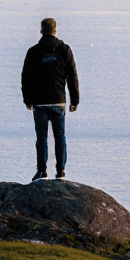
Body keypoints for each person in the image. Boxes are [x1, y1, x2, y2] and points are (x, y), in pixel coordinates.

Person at [20, 17, 79, 181]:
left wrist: (27, 100)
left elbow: (26, 78)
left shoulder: (33, 51)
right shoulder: (65, 50)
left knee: (42, 137)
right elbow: (73, 77)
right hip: (58, 100)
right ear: (55, 31)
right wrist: (74, 100)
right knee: (60, 136)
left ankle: (42, 171)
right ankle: (61, 171)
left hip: (39, 102)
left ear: (41, 31)